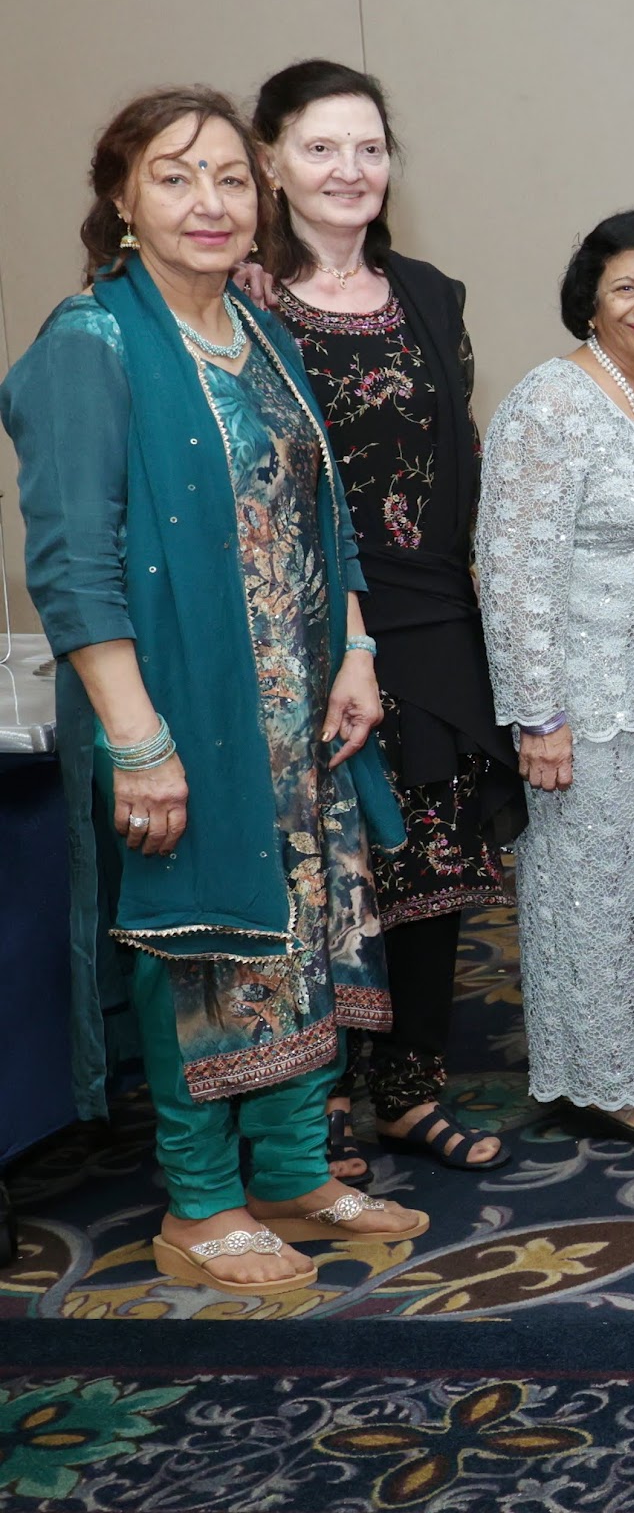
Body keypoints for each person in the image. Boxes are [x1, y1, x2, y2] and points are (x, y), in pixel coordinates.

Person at [1, 87, 421, 1298]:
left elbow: (327, 510)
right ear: (121, 200)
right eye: (176, 176)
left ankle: (289, 1168)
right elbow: (72, 561)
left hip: (298, 707)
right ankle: (200, 1201)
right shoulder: (92, 342)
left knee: (300, 932)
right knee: (196, 944)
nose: (211, 201)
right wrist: (138, 738)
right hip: (180, 706)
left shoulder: (258, 327)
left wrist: (356, 649)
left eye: (232, 177)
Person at [248, 58, 523, 1180]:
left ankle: (410, 1089)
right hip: (304, 615)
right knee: (327, 859)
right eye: (321, 147)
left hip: (432, 607)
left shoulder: (429, 292)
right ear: (270, 162)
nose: (349, 169)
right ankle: (315, 1101)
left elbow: (460, 460)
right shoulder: (244, 301)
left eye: (368, 148)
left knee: (434, 854)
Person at [477, 210, 634, 1141]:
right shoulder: (552, 401)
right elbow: (511, 568)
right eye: (627, 287)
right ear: (590, 298)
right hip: (590, 703)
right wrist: (537, 714)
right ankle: (606, 1078)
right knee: (594, 891)